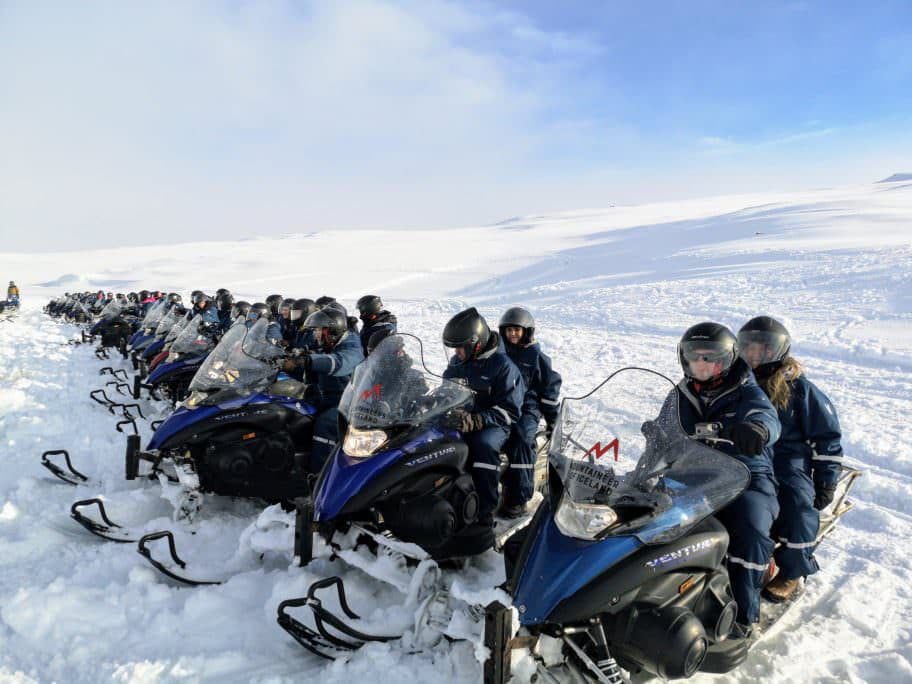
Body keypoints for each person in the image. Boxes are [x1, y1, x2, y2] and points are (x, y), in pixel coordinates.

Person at [674, 321, 781, 633]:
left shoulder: (746, 390)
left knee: (749, 526)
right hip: (696, 472)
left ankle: (744, 615)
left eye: (712, 357)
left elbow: (766, 416)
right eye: (697, 357)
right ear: (686, 359)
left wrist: (758, 429)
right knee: (657, 520)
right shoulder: (682, 393)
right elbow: (666, 427)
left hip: (747, 473)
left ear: (727, 359)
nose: (703, 364)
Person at [738, 316, 844, 602]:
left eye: (763, 349)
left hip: (787, 461)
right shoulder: (736, 381)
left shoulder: (799, 388)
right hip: (745, 457)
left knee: (797, 505)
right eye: (749, 348)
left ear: (778, 350)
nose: (755, 355)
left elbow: (827, 438)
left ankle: (793, 570)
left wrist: (826, 482)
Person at [441, 307, 524, 553]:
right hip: (463, 419)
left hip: (496, 424)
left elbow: (510, 410)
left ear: (475, 343)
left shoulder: (503, 366)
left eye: (460, 347)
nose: (455, 353)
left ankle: (484, 514)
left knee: (482, 446)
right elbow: (447, 389)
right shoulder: (459, 361)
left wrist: (477, 420)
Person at [497, 307, 562, 517]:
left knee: (523, 438)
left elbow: (550, 387)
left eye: (517, 330)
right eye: (509, 330)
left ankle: (518, 497)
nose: (513, 334)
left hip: (527, 406)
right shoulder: (498, 352)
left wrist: (554, 420)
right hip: (503, 403)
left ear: (527, 331)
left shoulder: (537, 356)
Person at [282, 306, 363, 472]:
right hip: (327, 397)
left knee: (326, 423)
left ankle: (318, 476)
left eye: (319, 330)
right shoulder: (330, 345)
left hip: (349, 403)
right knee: (293, 410)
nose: (315, 335)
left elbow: (337, 363)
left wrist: (306, 361)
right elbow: (313, 357)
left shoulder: (352, 348)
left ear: (331, 330)